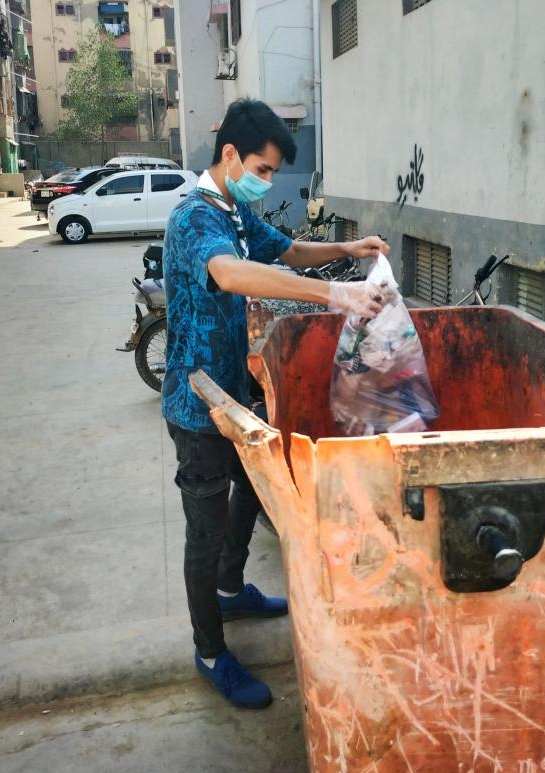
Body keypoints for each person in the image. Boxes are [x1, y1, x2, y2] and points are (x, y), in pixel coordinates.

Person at [162, 98, 390, 709]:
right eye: (262, 170)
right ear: (230, 155)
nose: (266, 182)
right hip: (197, 404)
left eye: (272, 174)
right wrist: (333, 297)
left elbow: (285, 252)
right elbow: (233, 276)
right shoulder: (194, 218)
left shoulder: (233, 210)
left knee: (254, 491)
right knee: (203, 532)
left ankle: (232, 589)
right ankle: (210, 650)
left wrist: (351, 250)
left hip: (235, 392)